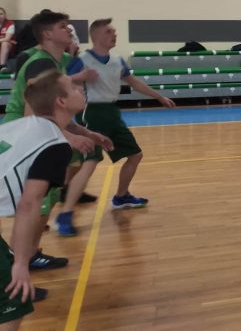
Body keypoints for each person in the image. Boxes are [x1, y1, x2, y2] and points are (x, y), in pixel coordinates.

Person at [2, 11, 111, 275]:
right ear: (48, 34)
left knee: (46, 194)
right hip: (24, 136)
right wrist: (70, 137)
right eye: (63, 26)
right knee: (34, 202)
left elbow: (56, 111)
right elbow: (34, 113)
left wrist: (86, 133)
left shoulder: (57, 60)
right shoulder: (40, 64)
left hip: (40, 131)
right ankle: (21, 262)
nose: (69, 30)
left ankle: (29, 254)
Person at [58, 19, 176, 236]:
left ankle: (121, 196)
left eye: (114, 31)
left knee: (135, 155)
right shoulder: (82, 60)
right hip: (91, 113)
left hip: (112, 113)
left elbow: (134, 82)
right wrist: (77, 83)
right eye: (109, 31)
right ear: (96, 36)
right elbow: (63, 82)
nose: (114, 34)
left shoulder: (117, 60)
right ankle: (65, 213)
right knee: (90, 162)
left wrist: (159, 96)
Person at [0, 71, 84, 326]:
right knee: (15, 299)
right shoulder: (54, 145)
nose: (80, 88)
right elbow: (29, 205)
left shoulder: (24, 125)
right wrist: (22, 264)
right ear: (61, 101)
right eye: (73, 87)